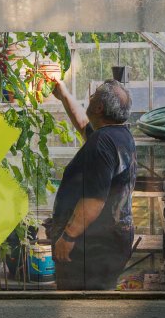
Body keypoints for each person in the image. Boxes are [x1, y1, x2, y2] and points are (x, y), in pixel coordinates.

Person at [47, 78, 137, 290]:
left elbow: (94, 201)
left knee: (80, 305)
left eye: (94, 94)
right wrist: (64, 95)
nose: (89, 97)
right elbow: (83, 126)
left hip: (92, 247)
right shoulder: (120, 135)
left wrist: (68, 237)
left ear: (99, 107)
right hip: (112, 241)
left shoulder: (101, 143)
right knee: (99, 298)